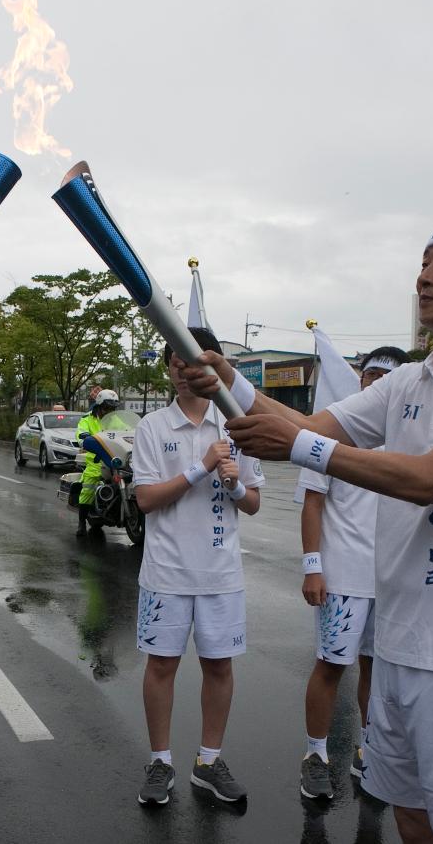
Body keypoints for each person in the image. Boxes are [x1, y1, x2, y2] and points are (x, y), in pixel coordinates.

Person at [185, 213, 433, 844]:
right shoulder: (410, 381)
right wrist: (233, 382)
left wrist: (300, 447)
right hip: (396, 648)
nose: (423, 277)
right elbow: (313, 423)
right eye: (422, 262)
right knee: (410, 820)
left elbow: (427, 477)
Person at [132, 327, 263, 807]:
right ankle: (160, 761)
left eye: (194, 364)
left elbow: (252, 503)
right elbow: (146, 499)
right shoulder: (152, 428)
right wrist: (202, 467)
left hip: (220, 573)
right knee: (162, 665)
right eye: (176, 364)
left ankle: (209, 760)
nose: (185, 373)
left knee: (219, 666)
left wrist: (232, 485)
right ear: (169, 369)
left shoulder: (236, 424)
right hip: (166, 572)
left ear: (212, 367)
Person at [296, 345, 411, 801]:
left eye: (387, 377)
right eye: (371, 375)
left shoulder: (409, 438)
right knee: (330, 667)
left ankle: (369, 751)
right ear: (360, 380)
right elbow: (313, 504)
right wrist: (312, 567)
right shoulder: (334, 435)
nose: (376, 383)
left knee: (376, 672)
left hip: (390, 579)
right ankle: (316, 755)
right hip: (343, 575)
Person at [76, 389, 121, 537]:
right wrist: (89, 440)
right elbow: (81, 435)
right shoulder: (87, 420)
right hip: (96, 461)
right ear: (99, 406)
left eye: (112, 409)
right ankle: (81, 522)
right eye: (107, 408)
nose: (109, 412)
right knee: (88, 489)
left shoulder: (115, 420)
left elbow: (127, 431)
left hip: (115, 459)